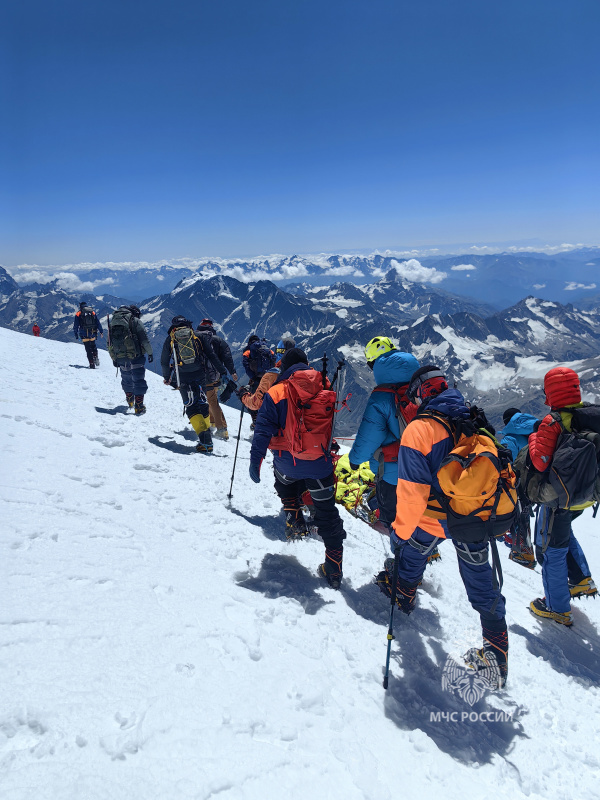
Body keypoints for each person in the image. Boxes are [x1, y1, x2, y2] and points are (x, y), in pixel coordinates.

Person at [376, 364, 509, 688]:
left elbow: (411, 498)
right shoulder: (473, 420)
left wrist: (398, 534)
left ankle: (404, 592)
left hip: (433, 518)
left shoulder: (419, 430)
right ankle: (497, 654)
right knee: (481, 580)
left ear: (421, 394)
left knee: (412, 549)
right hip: (473, 516)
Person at [248, 348, 347, 589]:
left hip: (287, 464)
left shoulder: (277, 392)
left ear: (286, 368)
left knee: (283, 480)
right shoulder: (325, 387)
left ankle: (293, 517)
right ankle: (333, 569)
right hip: (321, 466)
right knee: (328, 513)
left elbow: (262, 431)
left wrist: (255, 461)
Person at [528, 367, 597, 625]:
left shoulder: (553, 422)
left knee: (551, 549)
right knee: (565, 533)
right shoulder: (592, 414)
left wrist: (535, 437)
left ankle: (557, 608)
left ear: (551, 392)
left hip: (561, 497)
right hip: (588, 494)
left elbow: (540, 461)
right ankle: (581, 579)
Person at [348, 336, 419, 534]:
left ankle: (399, 561)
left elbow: (369, 436)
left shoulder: (382, 395)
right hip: (427, 466)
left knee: (394, 521)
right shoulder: (422, 386)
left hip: (394, 473)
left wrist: (355, 460)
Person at [161, 316, 223, 453]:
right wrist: (222, 370)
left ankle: (206, 440)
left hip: (183, 377)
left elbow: (164, 360)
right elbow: (211, 355)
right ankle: (206, 432)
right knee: (202, 403)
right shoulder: (197, 336)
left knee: (191, 406)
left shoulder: (171, 339)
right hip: (200, 375)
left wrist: (167, 377)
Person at [107, 305, 153, 415]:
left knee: (126, 378)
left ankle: (130, 402)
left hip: (120, 356)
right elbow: (144, 339)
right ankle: (139, 406)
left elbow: (109, 342)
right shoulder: (135, 321)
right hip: (136, 355)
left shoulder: (113, 322)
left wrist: (114, 357)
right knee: (138, 379)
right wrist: (150, 353)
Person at [196, 319, 236, 440]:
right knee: (212, 399)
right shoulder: (218, 340)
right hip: (215, 376)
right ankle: (215, 423)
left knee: (209, 400)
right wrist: (232, 371)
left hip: (198, 376)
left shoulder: (195, 338)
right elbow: (227, 357)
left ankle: (221, 428)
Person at [238, 336, 295, 413]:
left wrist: (243, 395)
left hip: (259, 379)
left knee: (258, 403)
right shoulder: (307, 372)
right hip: (297, 421)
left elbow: (255, 403)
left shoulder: (272, 375)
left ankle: (255, 420)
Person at [242, 335, 276, 427]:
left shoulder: (249, 351)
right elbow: (274, 360)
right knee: (267, 400)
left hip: (256, 379)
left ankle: (256, 421)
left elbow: (245, 365)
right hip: (269, 379)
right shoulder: (267, 349)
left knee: (252, 399)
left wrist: (253, 377)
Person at [73, 301, 104, 369]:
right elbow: (97, 322)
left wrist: (76, 334)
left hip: (84, 334)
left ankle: (91, 363)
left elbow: (76, 325)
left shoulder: (79, 313)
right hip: (92, 333)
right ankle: (95, 356)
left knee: (88, 349)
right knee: (93, 346)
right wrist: (101, 331)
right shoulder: (92, 312)